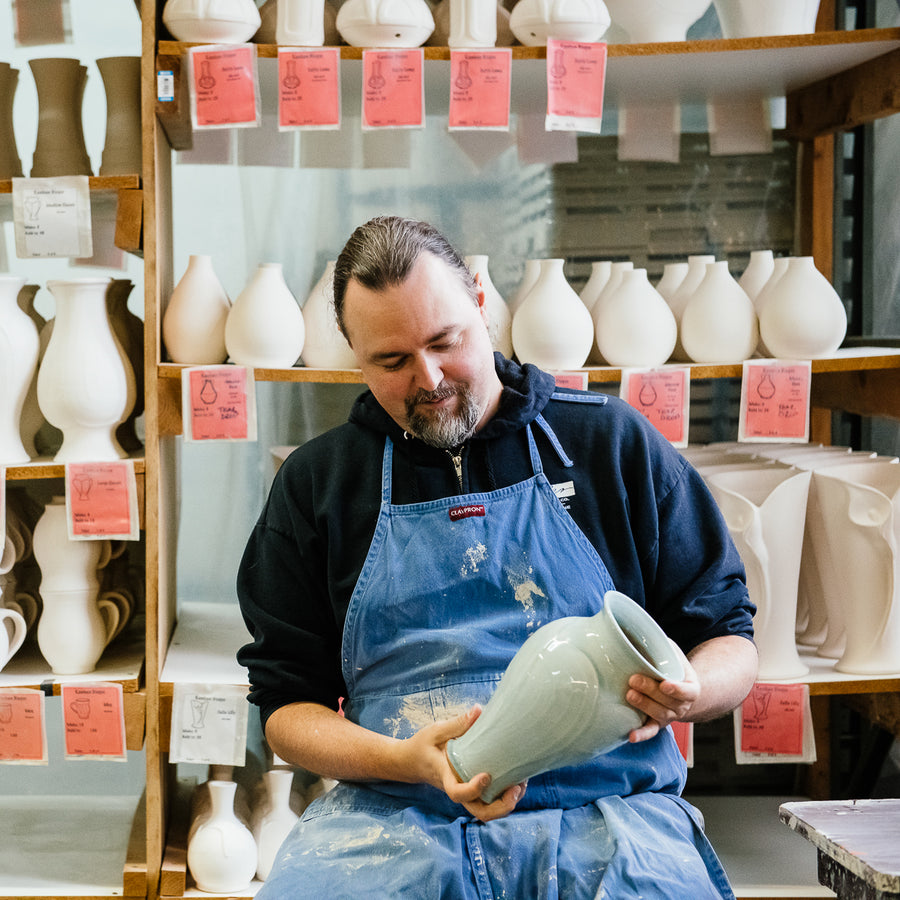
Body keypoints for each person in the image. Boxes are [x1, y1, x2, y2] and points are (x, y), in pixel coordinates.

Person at [237, 215, 758, 899]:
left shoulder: (609, 445)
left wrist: (690, 691)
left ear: (479, 302)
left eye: (445, 342)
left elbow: (729, 637)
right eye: (391, 362)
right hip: (396, 815)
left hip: (608, 812)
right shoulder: (319, 484)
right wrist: (404, 761)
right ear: (353, 355)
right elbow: (286, 708)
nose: (428, 378)